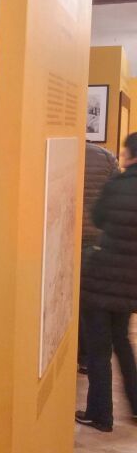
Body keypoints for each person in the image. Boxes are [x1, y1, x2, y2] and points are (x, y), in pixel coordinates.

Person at [76, 133, 137, 432]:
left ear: (130, 154)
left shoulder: (118, 184)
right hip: (130, 278)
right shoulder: (107, 161)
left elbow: (99, 218)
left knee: (99, 347)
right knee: (122, 340)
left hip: (101, 273)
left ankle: (100, 414)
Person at [79, 142, 121, 373]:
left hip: (66, 236)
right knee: (88, 302)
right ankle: (86, 357)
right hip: (96, 238)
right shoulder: (105, 156)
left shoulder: (62, 151)